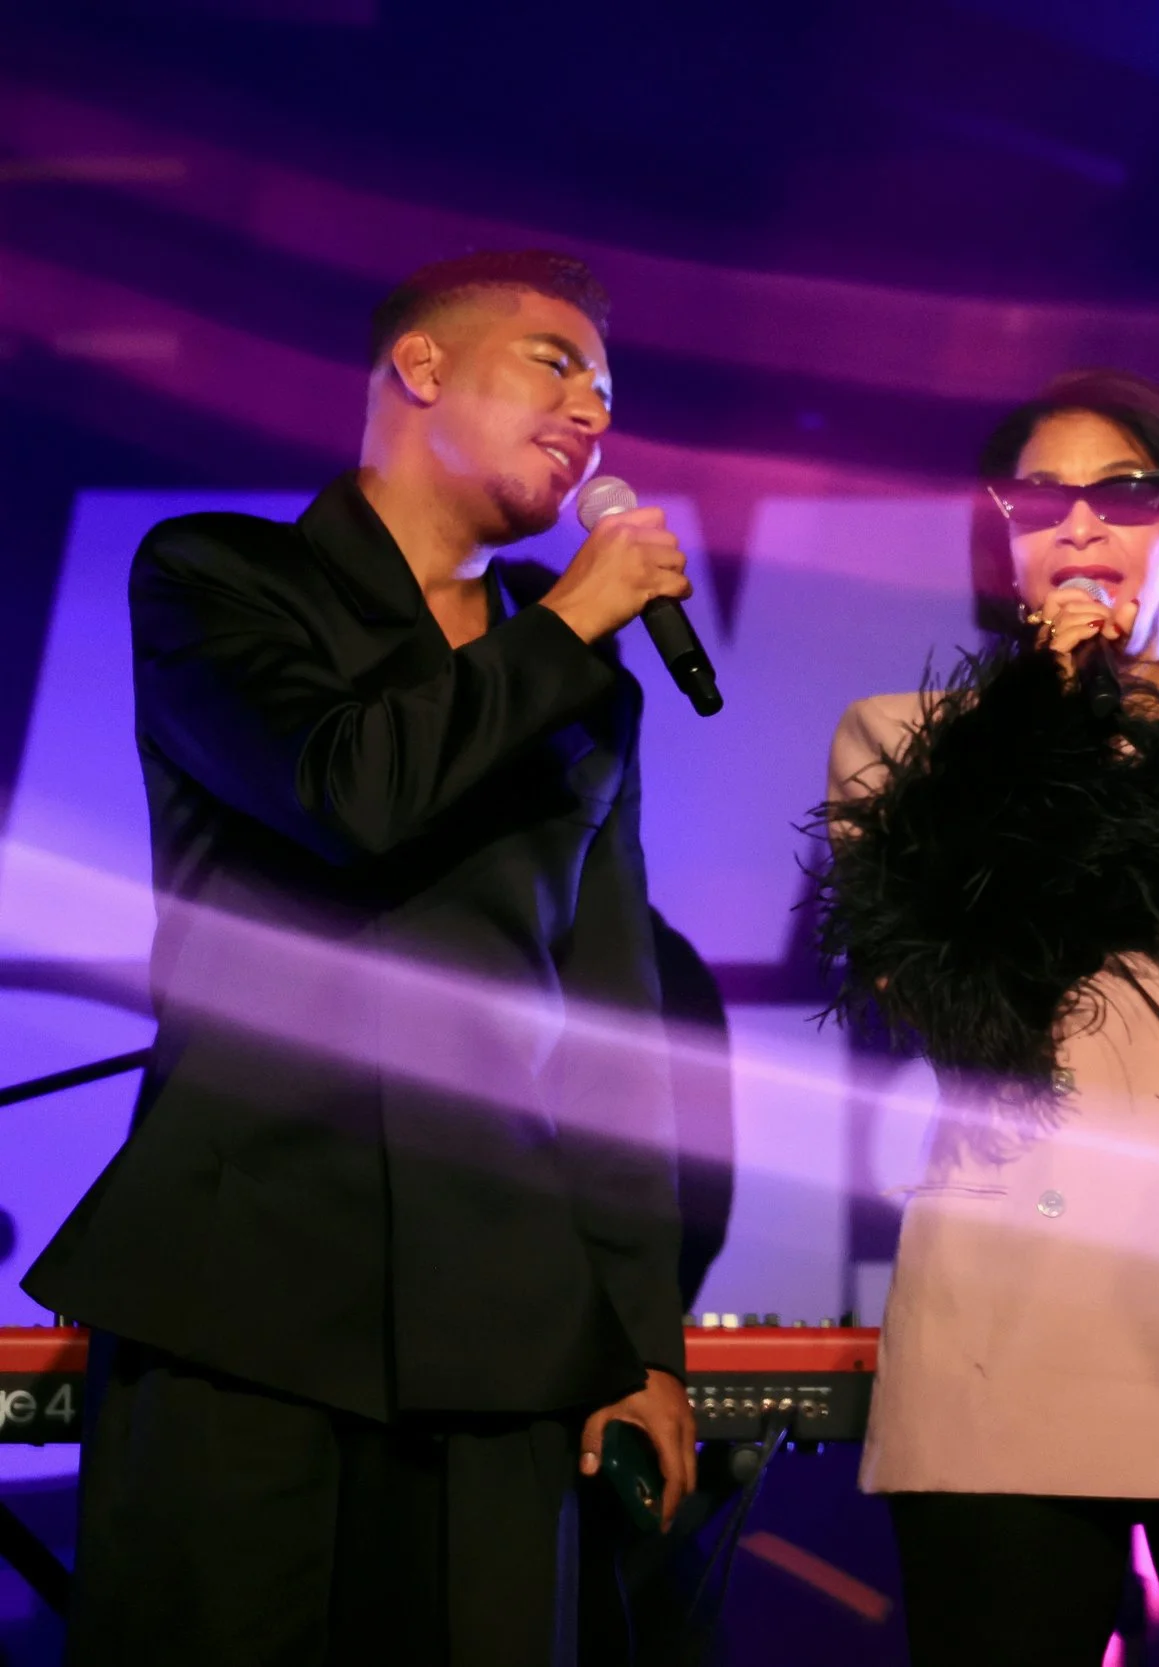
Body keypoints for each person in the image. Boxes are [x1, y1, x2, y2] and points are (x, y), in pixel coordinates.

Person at [24, 251, 697, 1665]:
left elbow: (616, 1027)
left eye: (610, 390)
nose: (592, 411)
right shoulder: (220, 577)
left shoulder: (584, 689)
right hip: (245, 1291)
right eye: (555, 360)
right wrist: (573, 618)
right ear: (423, 367)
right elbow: (346, 790)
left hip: (507, 1327)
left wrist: (642, 1340)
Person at [814, 368, 1159, 1667]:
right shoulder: (907, 743)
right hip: (1026, 1317)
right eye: (1040, 499)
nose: (1079, 524)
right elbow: (954, 999)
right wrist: (1050, 721)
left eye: (1123, 492)